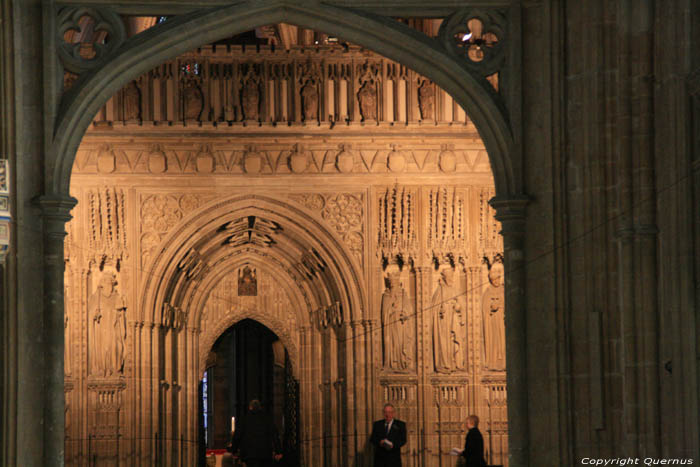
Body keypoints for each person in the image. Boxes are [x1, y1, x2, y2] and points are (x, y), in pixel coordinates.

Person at [230, 399, 282, 467]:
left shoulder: (245, 419)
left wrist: (234, 450)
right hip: (265, 453)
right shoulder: (267, 418)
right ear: (260, 407)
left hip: (249, 455)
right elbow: (274, 434)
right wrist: (278, 451)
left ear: (250, 407)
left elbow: (237, 436)